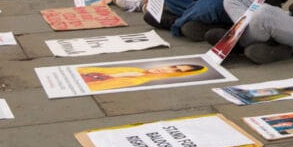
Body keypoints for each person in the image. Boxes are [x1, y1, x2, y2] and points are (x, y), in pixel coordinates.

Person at [78, 63, 207, 91]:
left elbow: (93, 86)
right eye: (173, 66)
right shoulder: (134, 70)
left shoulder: (137, 79)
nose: (166, 68)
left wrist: (113, 76)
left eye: (176, 71)